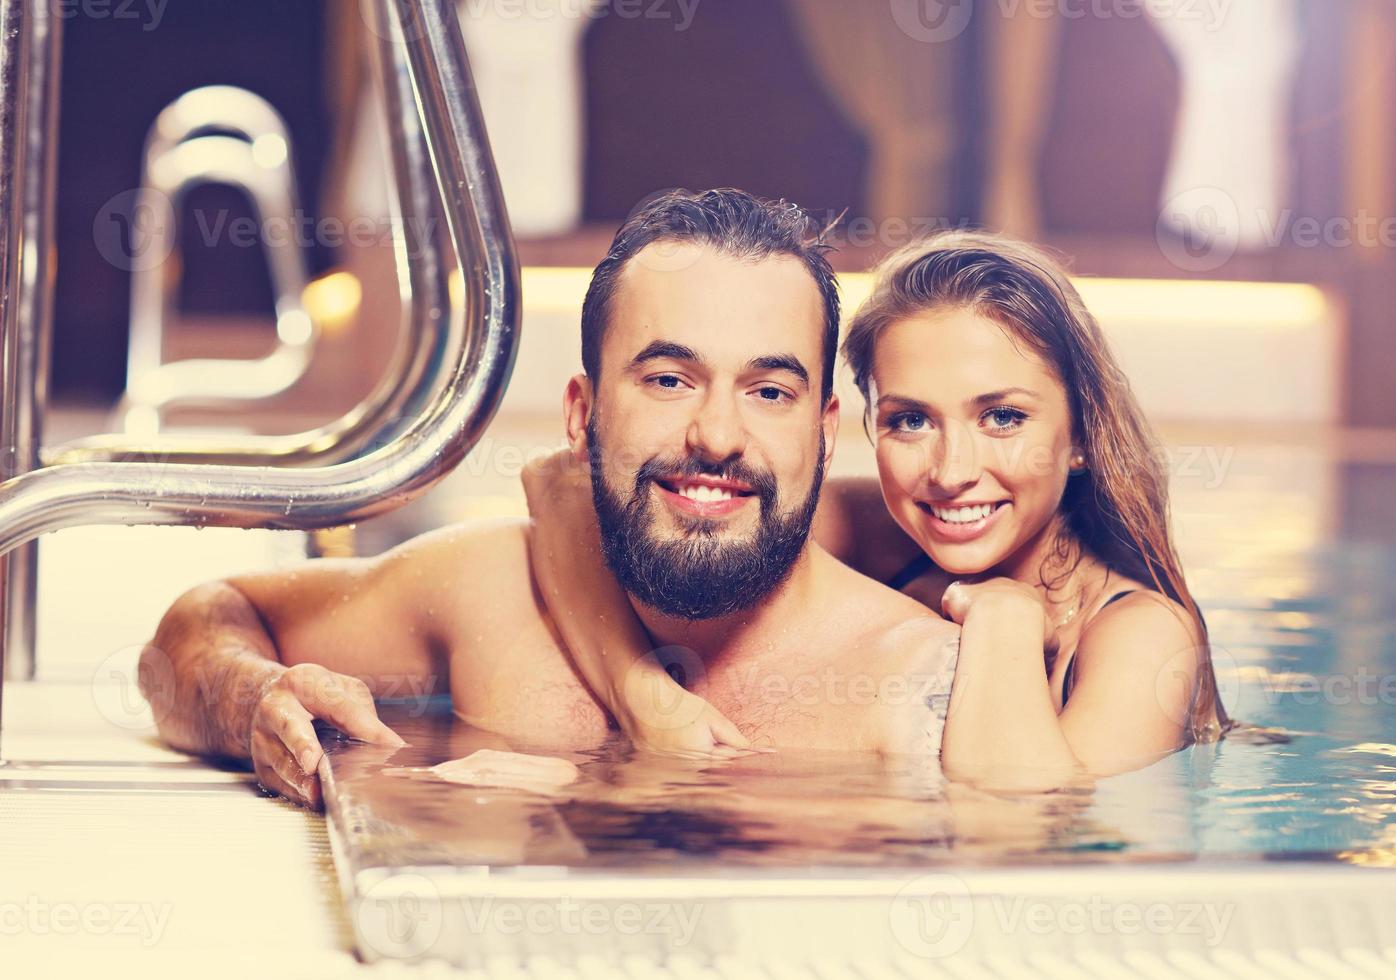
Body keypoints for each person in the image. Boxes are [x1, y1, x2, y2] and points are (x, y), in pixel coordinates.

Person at [138, 189, 960, 810]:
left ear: (824, 430)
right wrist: (251, 697)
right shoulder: (487, 592)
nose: (718, 434)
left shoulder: (916, 684)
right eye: (669, 380)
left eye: (769, 391)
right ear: (582, 412)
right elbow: (200, 623)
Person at [524, 230, 1232, 788]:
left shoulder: (1143, 634)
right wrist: (642, 695)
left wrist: (1007, 619)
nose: (952, 473)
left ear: (1080, 437)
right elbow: (561, 491)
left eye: (1003, 418)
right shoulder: (880, 530)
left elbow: (1031, 841)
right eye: (910, 422)